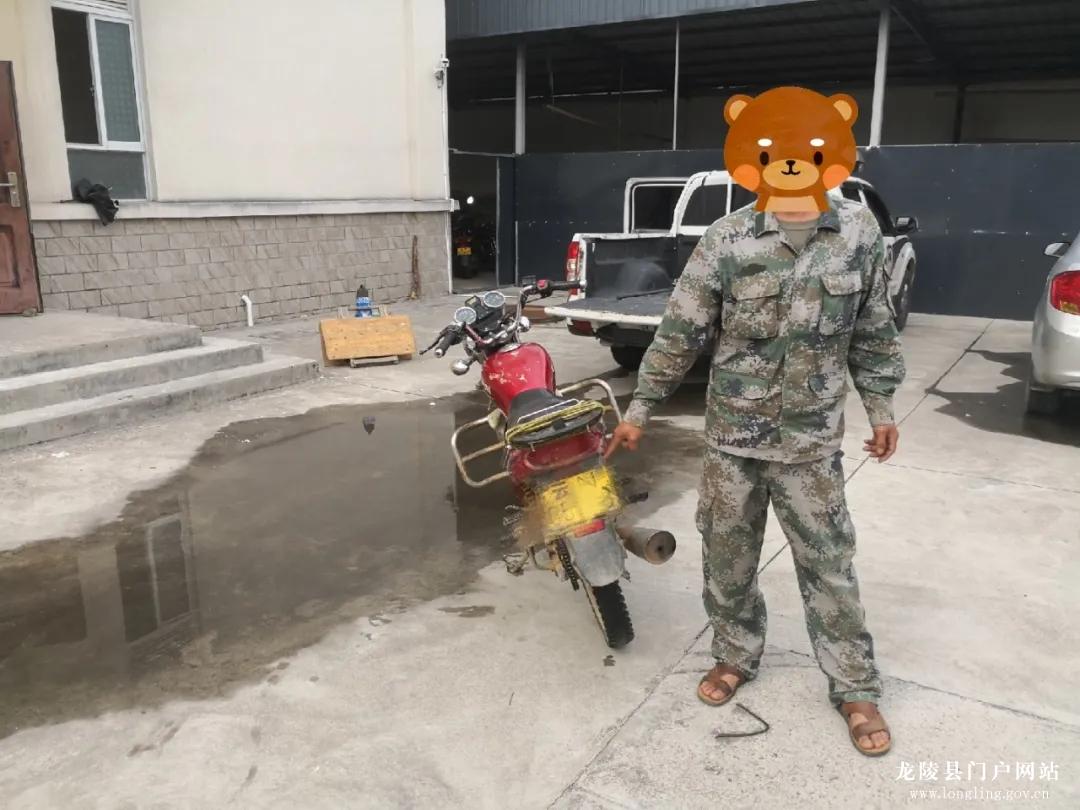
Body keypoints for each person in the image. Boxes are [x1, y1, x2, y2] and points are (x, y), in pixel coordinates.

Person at [606, 90, 905, 757]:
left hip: (811, 444)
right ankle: (735, 654)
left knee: (829, 564)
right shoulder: (728, 239)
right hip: (732, 441)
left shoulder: (858, 233)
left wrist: (881, 407)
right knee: (727, 558)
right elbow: (680, 331)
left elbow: (873, 328)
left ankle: (854, 685)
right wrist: (641, 408)